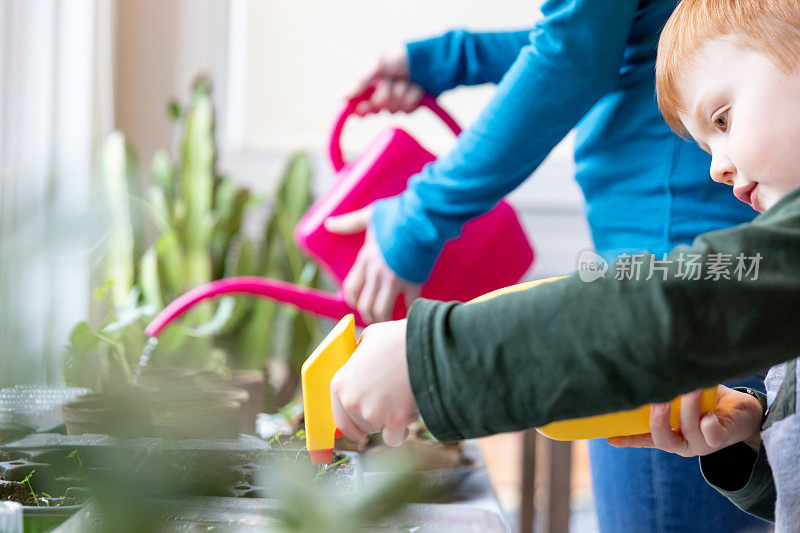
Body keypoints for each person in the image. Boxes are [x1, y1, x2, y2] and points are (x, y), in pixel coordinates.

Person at [329, 0, 800, 529]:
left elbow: (575, 48)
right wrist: (759, 432)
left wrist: (430, 360)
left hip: (666, 292)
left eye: (723, 118)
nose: (715, 167)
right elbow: (604, 36)